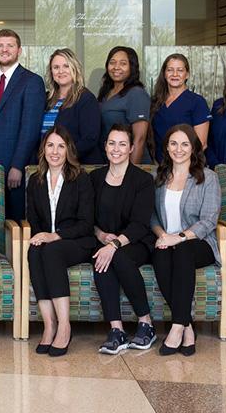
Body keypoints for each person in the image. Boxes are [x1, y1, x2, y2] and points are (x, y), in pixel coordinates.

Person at [150, 124, 221, 356]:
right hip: (166, 241)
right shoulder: (158, 177)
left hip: (198, 243)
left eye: (184, 144)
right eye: (173, 143)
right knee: (160, 255)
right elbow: (151, 215)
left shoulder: (207, 178)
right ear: (167, 147)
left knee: (182, 252)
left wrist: (178, 238)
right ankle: (188, 327)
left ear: (193, 148)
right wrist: (162, 235)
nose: (178, 149)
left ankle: (177, 327)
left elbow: (209, 220)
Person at [25, 126, 95, 357]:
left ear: (69, 150)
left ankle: (64, 326)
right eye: (50, 145)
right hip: (49, 244)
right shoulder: (35, 181)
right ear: (43, 149)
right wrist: (42, 238)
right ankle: (49, 325)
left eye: (61, 146)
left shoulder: (80, 179)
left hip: (78, 242)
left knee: (51, 251)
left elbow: (86, 223)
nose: (55, 151)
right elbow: (35, 223)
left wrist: (55, 236)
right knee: (35, 251)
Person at [91, 125, 157, 355]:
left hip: (136, 242)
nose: (116, 149)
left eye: (122, 144)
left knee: (116, 258)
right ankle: (116, 330)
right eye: (111, 143)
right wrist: (101, 236)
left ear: (131, 148)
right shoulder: (95, 177)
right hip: (105, 241)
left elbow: (140, 224)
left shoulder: (143, 180)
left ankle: (146, 322)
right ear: (105, 146)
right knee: (101, 264)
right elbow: (88, 219)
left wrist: (114, 244)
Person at [0, 29, 46, 220]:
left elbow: (30, 128)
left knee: (16, 221)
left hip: (16, 168)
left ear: (19, 50)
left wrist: (17, 165)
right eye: (0, 45)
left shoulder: (32, 81)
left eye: (10, 45)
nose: (4, 49)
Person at [41, 48, 102, 164]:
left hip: (76, 167)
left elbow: (89, 139)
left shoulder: (86, 99)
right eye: (56, 67)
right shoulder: (46, 99)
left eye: (66, 66)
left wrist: (61, 156)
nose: (61, 71)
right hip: (49, 165)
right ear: (51, 72)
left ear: (74, 69)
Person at [150, 54, 211, 162]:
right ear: (164, 73)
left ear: (187, 74)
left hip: (187, 166)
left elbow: (202, 143)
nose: (175, 74)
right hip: (161, 167)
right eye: (170, 70)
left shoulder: (197, 102)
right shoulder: (156, 101)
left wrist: (181, 166)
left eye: (180, 70)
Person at [98, 46, 150, 164]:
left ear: (132, 67)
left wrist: (131, 174)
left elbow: (139, 138)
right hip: (110, 161)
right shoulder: (106, 93)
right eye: (112, 62)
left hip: (131, 165)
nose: (116, 67)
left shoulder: (136, 94)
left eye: (123, 63)